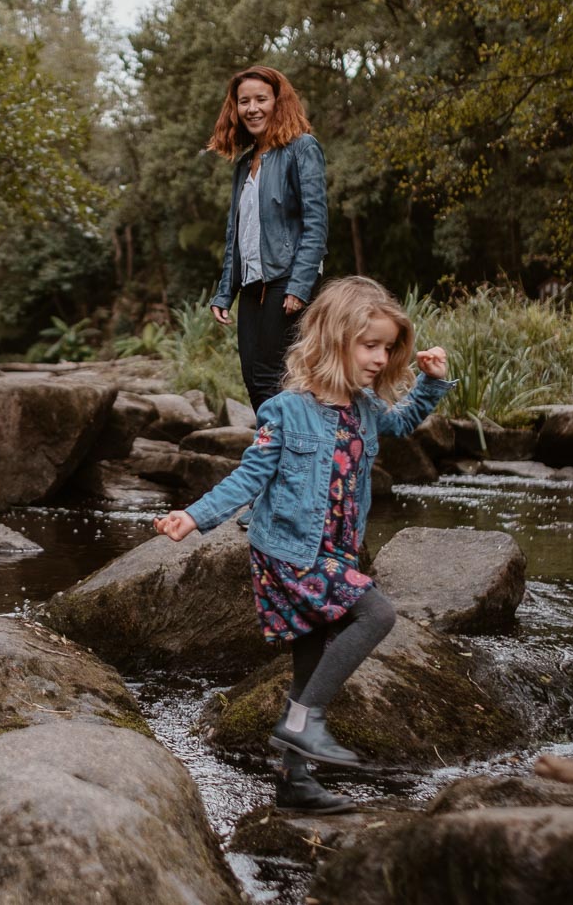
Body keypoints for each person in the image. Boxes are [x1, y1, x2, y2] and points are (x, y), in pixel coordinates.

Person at [154, 277, 452, 814]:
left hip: (337, 551)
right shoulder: (286, 411)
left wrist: (430, 384)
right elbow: (250, 478)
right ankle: (302, 727)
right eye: (370, 346)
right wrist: (194, 517)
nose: (381, 358)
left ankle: (294, 782)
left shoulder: (363, 408)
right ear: (334, 339)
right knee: (376, 615)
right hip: (292, 554)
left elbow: (404, 421)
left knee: (310, 664)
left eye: (388, 347)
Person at [207, 65, 329, 412]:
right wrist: (224, 291)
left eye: (261, 99)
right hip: (251, 285)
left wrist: (299, 285)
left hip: (286, 280)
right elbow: (236, 233)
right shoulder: (245, 164)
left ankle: (288, 455)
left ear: (278, 102)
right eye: (244, 101)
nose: (252, 108)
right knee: (253, 376)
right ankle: (273, 451)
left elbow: (316, 223)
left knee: (279, 377)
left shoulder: (302, 148)